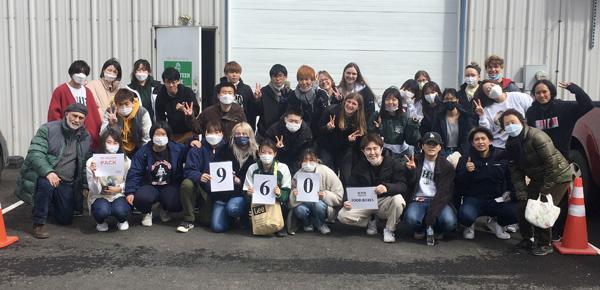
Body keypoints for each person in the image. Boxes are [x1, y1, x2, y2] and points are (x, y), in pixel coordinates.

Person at [16, 103, 92, 239]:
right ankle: (39, 222)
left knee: (65, 219)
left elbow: (85, 164)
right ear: (66, 114)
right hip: (47, 175)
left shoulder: (85, 136)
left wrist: (85, 185)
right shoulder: (48, 129)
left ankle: (47, 204)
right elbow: (35, 153)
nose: (77, 120)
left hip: (66, 182)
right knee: (46, 185)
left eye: (81, 118)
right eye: (74, 116)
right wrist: (48, 172)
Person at [501, 109, 572, 256]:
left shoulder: (537, 136)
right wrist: (522, 192)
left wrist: (544, 191)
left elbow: (551, 165)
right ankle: (527, 239)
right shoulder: (511, 143)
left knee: (542, 207)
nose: (510, 125)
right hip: (538, 178)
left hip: (558, 176)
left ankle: (545, 243)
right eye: (506, 124)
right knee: (522, 206)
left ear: (522, 121)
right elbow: (515, 171)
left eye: (513, 122)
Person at [337, 134, 408, 243]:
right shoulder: (360, 165)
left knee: (398, 200)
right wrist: (346, 200)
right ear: (363, 151)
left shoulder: (394, 163)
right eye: (368, 149)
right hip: (365, 202)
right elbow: (351, 185)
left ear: (382, 149)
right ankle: (371, 220)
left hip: (384, 201)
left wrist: (387, 187)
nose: (372, 153)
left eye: (375, 148)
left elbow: (403, 185)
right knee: (343, 215)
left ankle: (389, 229)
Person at [455, 127, 516, 240]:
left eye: (483, 138)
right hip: (474, 198)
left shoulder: (502, 155)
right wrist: (467, 172)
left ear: (490, 140)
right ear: (472, 143)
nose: (480, 142)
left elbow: (510, 177)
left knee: (515, 211)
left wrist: (510, 192)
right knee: (465, 215)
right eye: (476, 139)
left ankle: (496, 223)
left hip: (497, 199)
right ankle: (470, 225)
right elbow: (458, 182)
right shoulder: (465, 158)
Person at [124, 121, 186, 227]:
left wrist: (194, 144)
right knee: (141, 198)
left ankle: (164, 208)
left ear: (168, 136)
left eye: (163, 134)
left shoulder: (177, 149)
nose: (160, 137)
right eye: (157, 134)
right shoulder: (143, 152)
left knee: (177, 202)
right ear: (152, 135)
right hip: (149, 185)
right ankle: (147, 212)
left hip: (169, 185)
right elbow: (135, 172)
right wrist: (130, 191)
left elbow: (190, 151)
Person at [404, 132, 457, 244]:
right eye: (428, 143)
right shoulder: (414, 161)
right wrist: (411, 171)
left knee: (449, 222)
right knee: (411, 219)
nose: (431, 147)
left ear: (440, 147)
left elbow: (444, 193)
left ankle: (436, 229)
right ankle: (420, 229)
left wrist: (431, 218)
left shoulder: (447, 166)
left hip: (439, 200)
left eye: (435, 144)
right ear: (422, 146)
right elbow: (408, 185)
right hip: (418, 200)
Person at [178, 121, 231, 233]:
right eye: (210, 132)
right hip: (200, 188)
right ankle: (188, 219)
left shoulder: (228, 149)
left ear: (222, 134)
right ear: (205, 133)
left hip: (217, 192)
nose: (214, 135)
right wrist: (199, 176)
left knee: (207, 221)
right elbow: (188, 170)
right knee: (186, 184)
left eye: (217, 132)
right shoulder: (197, 148)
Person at [526, 80, 594, 159]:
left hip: (561, 159)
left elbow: (587, 106)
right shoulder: (531, 112)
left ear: (551, 92)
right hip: (540, 158)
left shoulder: (563, 108)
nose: (541, 95)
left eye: (544, 92)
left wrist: (576, 89)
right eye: (538, 93)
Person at [47, 60, 102, 149]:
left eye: (84, 73)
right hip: (67, 136)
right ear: (71, 73)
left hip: (86, 136)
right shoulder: (61, 90)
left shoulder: (87, 92)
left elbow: (94, 115)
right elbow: (54, 114)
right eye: (78, 72)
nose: (81, 75)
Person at [243, 140, 292, 237]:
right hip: (258, 202)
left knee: (285, 204)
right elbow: (246, 190)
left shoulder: (283, 168)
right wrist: (249, 193)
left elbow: (286, 190)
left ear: (275, 154)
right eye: (263, 152)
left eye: (270, 153)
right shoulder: (252, 168)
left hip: (277, 202)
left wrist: (279, 193)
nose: (266, 155)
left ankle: (280, 226)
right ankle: (259, 225)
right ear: (258, 153)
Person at [86, 129, 131, 232]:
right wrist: (95, 175)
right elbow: (94, 190)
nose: (112, 145)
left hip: (118, 194)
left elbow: (129, 181)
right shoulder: (92, 162)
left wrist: (119, 188)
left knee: (121, 210)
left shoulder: (126, 161)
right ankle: (100, 222)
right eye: (109, 142)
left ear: (119, 144)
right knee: (102, 210)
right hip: (99, 195)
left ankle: (122, 220)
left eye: (115, 143)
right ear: (103, 143)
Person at [289, 149, 343, 235]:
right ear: (301, 162)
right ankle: (307, 222)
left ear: (317, 160)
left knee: (319, 205)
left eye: (311, 160)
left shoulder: (327, 172)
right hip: (304, 204)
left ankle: (321, 224)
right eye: (305, 160)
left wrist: (325, 195)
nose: (308, 163)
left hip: (321, 204)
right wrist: (294, 194)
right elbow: (291, 195)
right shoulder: (297, 175)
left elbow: (339, 196)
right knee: (300, 210)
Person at [317, 93, 367, 185]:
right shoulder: (331, 111)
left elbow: (360, 141)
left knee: (346, 176)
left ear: (358, 107)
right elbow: (318, 131)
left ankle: (345, 197)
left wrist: (351, 141)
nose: (350, 105)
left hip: (345, 148)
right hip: (328, 147)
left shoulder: (359, 119)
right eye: (348, 102)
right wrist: (327, 128)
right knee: (329, 176)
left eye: (354, 104)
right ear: (344, 102)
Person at [473, 80, 532, 148]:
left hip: (524, 143)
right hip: (501, 147)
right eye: (488, 90)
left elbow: (533, 113)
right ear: (487, 96)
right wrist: (482, 116)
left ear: (498, 84)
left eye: (492, 85)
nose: (492, 88)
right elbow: (487, 131)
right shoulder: (487, 110)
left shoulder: (518, 97)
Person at [368, 86, 420, 158]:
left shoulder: (404, 117)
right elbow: (369, 135)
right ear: (383, 101)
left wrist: (413, 124)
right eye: (387, 99)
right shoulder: (377, 116)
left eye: (394, 99)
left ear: (399, 101)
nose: (390, 102)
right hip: (382, 154)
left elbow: (411, 140)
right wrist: (376, 128)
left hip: (402, 154)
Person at [100, 88, 152, 157]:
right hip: (116, 148)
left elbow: (147, 137)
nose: (124, 107)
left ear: (133, 103)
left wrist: (143, 155)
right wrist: (111, 125)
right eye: (120, 104)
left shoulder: (142, 113)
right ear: (116, 104)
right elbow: (102, 135)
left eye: (127, 104)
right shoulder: (110, 112)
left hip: (137, 147)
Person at [155, 67, 200, 143]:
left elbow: (195, 110)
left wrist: (187, 111)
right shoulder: (161, 95)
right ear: (164, 82)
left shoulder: (187, 92)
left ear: (178, 81)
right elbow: (160, 118)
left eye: (173, 82)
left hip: (188, 131)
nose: (171, 85)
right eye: (168, 82)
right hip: (171, 133)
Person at [265, 107, 313, 174]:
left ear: (301, 121)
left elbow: (307, 151)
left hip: (298, 164)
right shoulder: (274, 130)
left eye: (296, 121)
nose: (293, 123)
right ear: (285, 119)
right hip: (277, 163)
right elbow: (267, 149)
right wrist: (276, 148)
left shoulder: (306, 133)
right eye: (291, 121)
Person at [287, 65, 329, 139]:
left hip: (318, 133)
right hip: (299, 133)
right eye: (301, 79)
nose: (304, 82)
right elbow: (290, 114)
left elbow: (325, 114)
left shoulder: (320, 94)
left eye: (307, 79)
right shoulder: (293, 95)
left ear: (312, 80)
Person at [212, 61, 256, 130]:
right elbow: (214, 106)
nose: (234, 75)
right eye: (231, 72)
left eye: (237, 72)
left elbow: (251, 111)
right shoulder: (219, 88)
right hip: (223, 124)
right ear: (226, 74)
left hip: (241, 125)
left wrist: (251, 128)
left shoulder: (246, 89)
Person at [432, 88, 474, 157]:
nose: (449, 101)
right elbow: (436, 137)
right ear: (443, 101)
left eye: (452, 99)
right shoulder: (438, 117)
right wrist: (443, 154)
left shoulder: (465, 117)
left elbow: (467, 138)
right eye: (446, 99)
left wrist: (458, 154)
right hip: (443, 152)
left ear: (457, 100)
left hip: (461, 152)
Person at [253, 64, 292, 137]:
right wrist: (257, 99)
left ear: (286, 77)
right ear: (271, 78)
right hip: (264, 133)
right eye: (275, 76)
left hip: (285, 133)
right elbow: (256, 112)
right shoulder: (263, 92)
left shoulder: (291, 93)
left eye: (280, 75)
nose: (277, 79)